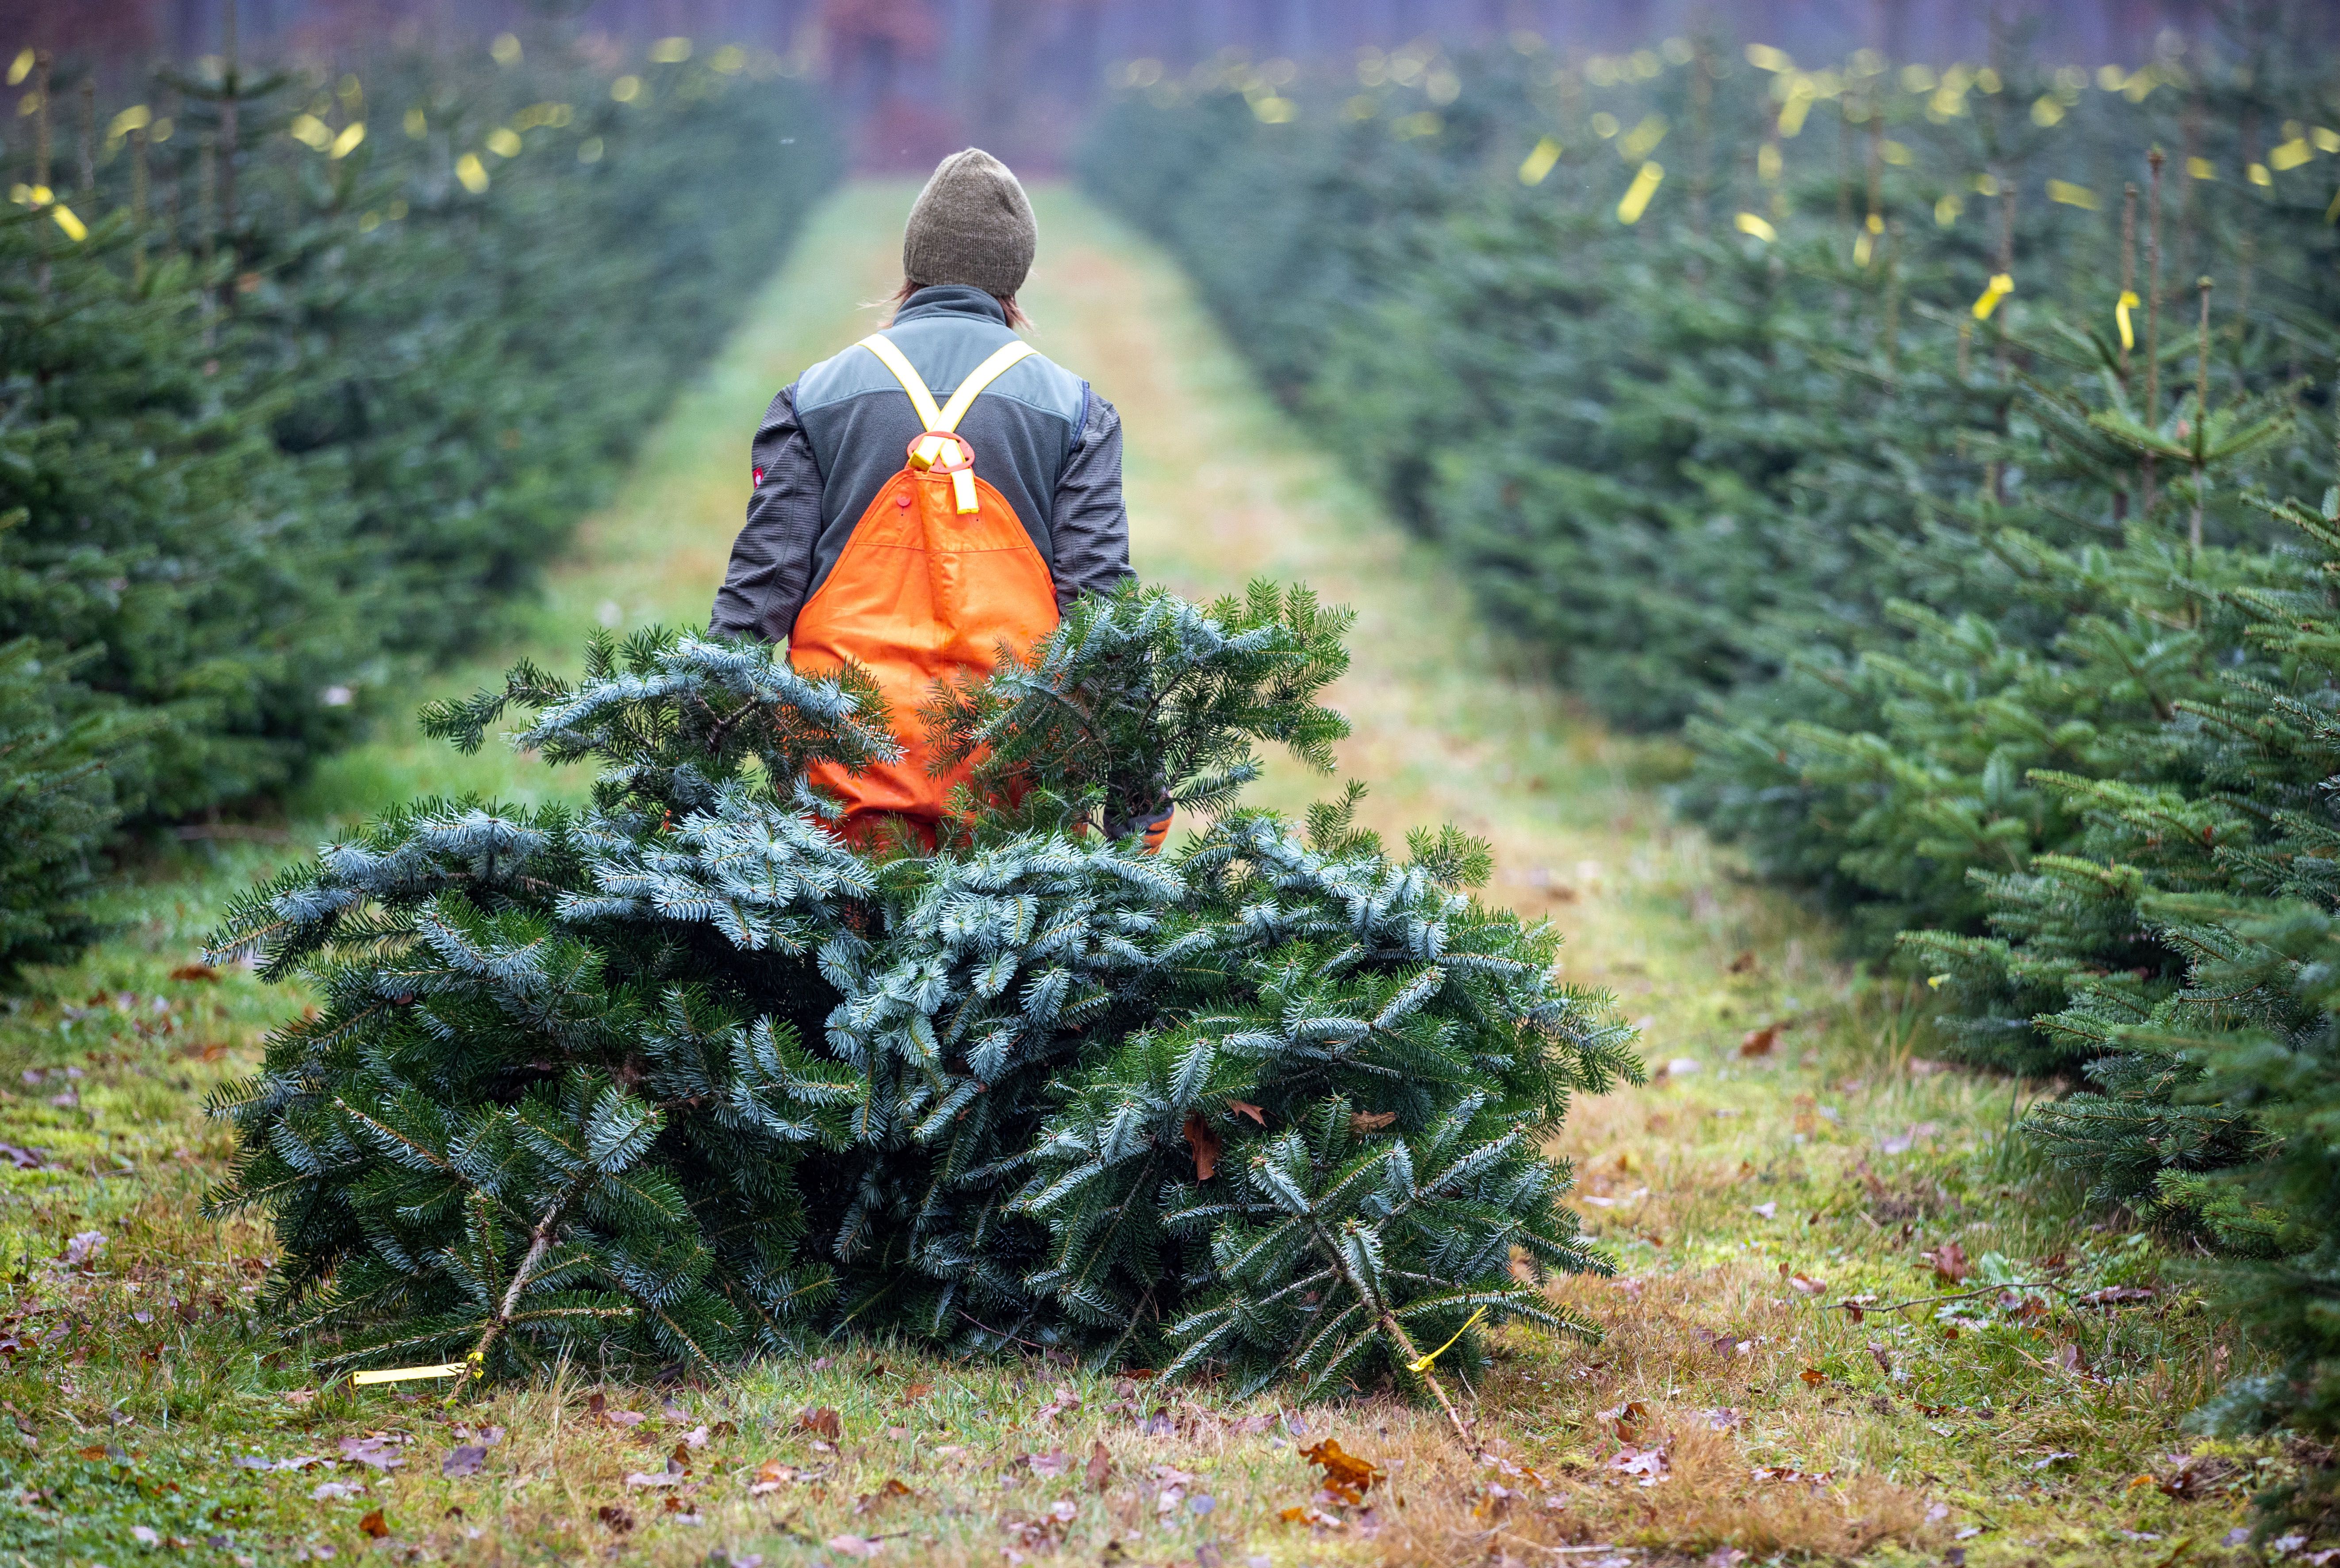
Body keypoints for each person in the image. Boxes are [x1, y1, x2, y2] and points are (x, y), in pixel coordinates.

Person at [712, 149, 1134, 849]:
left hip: (838, 783)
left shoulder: (813, 397)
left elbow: (757, 595)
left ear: (913, 265)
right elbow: (1101, 609)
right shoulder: (1077, 411)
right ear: (1014, 277)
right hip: (1011, 792)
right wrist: (1136, 789)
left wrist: (687, 764)